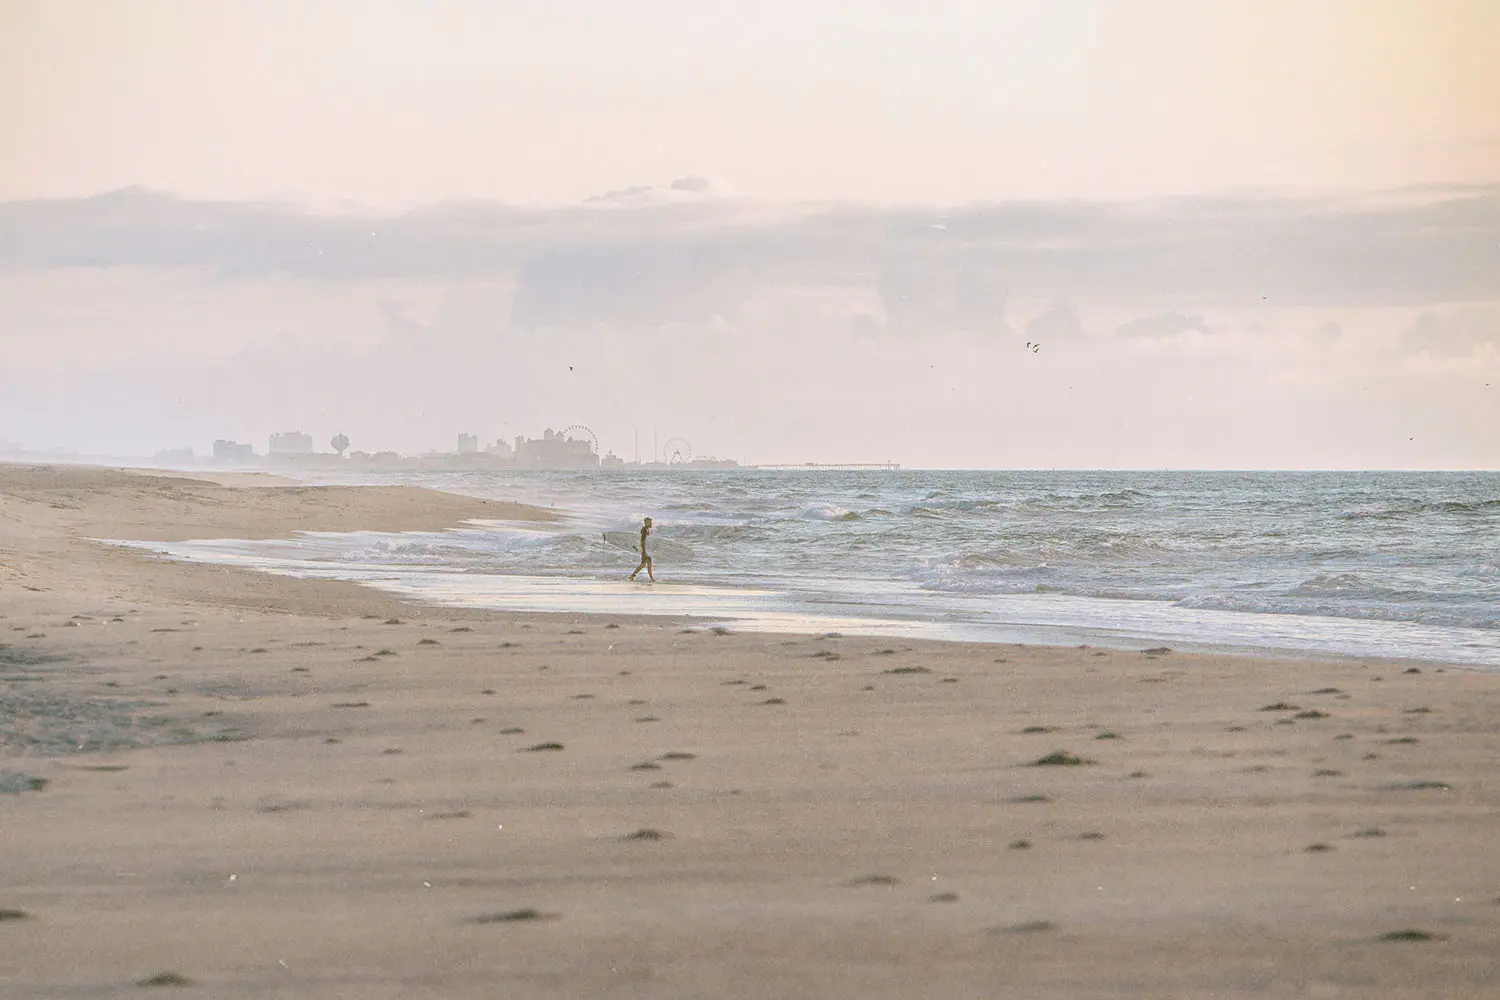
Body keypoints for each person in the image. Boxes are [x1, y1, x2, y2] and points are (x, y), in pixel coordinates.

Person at [629, 516, 655, 581]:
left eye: (651, 522)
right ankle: (632, 576)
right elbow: (643, 541)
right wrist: (644, 551)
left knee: (648, 564)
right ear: (646, 523)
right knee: (644, 564)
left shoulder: (647, 529)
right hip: (645, 550)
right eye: (650, 523)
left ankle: (651, 578)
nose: (651, 524)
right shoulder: (644, 529)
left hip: (646, 550)